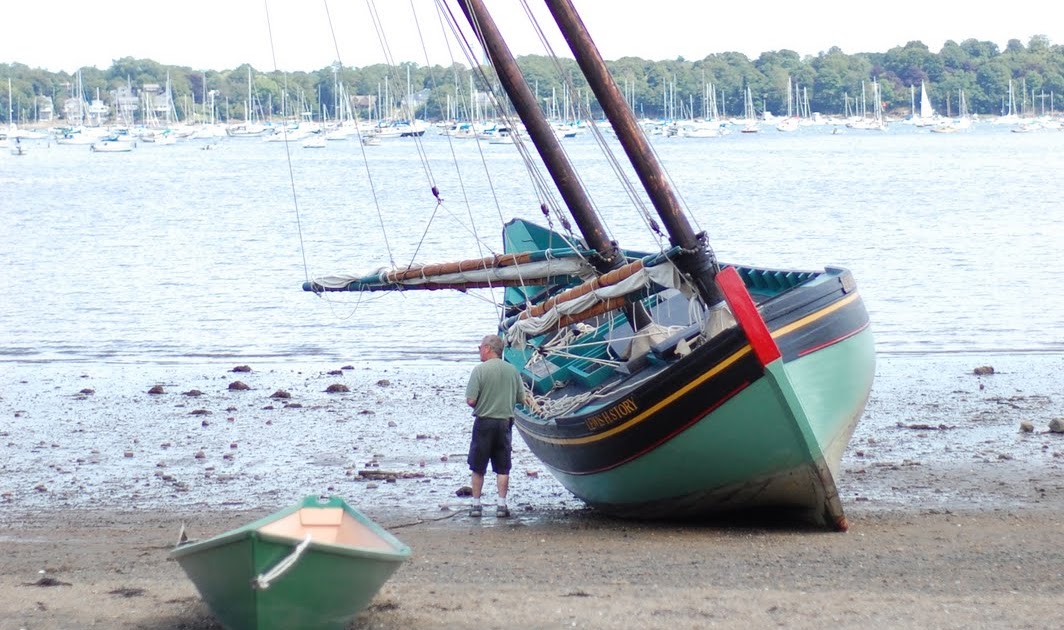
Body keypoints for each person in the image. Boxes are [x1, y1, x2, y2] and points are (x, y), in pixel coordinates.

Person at [465, 334, 524, 518]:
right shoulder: (512, 370)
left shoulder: (479, 370)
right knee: (503, 466)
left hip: (484, 422)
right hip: (504, 423)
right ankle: (501, 504)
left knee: (478, 465)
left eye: (480, 347)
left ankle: (476, 505)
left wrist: (483, 402)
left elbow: (471, 400)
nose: (479, 351)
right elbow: (521, 399)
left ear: (488, 348)